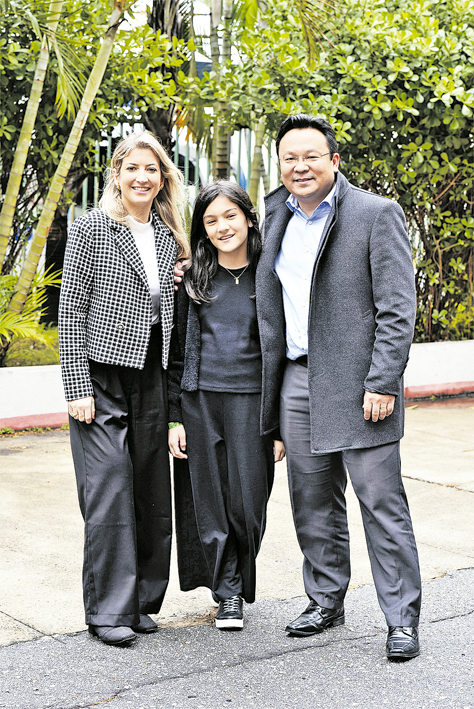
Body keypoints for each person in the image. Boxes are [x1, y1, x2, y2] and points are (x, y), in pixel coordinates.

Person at [255, 114, 422, 660]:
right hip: (297, 382)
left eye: (310, 156)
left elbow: (397, 310)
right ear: (279, 163)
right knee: (312, 501)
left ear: (333, 159)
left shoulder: (376, 214)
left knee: (380, 504)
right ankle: (325, 599)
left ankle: (401, 619)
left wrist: (383, 381)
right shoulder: (275, 211)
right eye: (288, 158)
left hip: (361, 388)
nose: (299, 167)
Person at [58, 131, 188, 647]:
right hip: (102, 375)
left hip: (151, 372)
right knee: (110, 488)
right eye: (132, 167)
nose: (142, 177)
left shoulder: (166, 235)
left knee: (152, 488)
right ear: (117, 174)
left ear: (163, 178)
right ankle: (108, 611)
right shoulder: (92, 227)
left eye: (152, 169)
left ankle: (139, 602)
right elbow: (71, 309)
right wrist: (76, 384)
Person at [168, 181, 285, 631]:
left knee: (248, 504)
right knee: (210, 502)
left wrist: (277, 426)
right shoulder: (192, 277)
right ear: (203, 229)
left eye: (229, 216)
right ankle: (228, 592)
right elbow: (178, 352)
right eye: (211, 220)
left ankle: (240, 575)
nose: (222, 227)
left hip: (254, 406)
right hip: (200, 402)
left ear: (249, 219)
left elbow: (284, 351)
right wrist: (176, 415)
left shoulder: (270, 276)